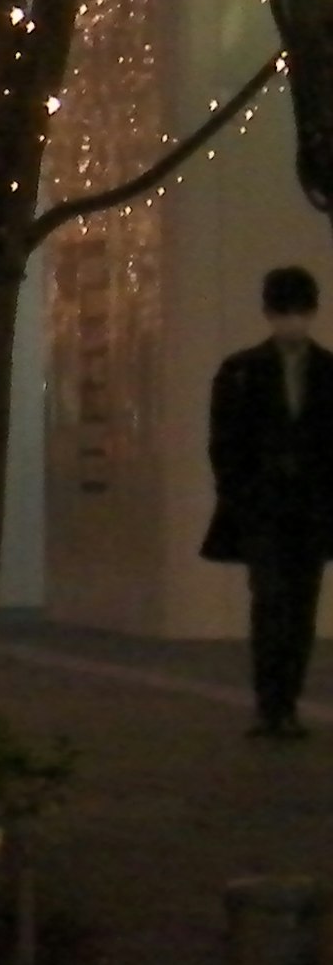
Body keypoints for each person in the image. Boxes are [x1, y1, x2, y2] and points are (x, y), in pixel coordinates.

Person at [203, 266, 333, 740]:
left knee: (297, 609)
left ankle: (284, 703)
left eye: (297, 310)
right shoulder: (241, 371)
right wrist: (241, 493)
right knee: (273, 603)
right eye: (285, 311)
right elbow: (223, 443)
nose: (292, 320)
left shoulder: (326, 372)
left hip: (310, 510)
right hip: (265, 510)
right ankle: (271, 703)